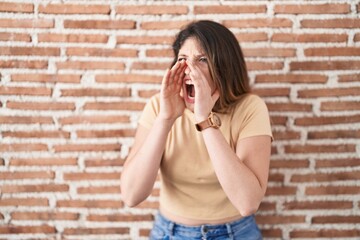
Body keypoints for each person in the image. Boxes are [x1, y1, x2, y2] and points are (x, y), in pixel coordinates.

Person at [121, 20, 273, 240]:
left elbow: (247, 203)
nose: (189, 69)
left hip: (236, 233)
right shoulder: (158, 107)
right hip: (170, 233)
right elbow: (131, 195)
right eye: (182, 59)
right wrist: (165, 118)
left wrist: (205, 119)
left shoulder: (251, 108)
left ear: (224, 66)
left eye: (202, 59)